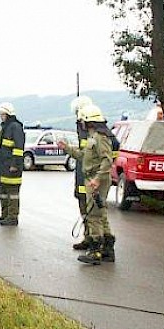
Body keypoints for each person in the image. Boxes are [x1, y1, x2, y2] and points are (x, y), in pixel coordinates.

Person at [58, 104, 115, 264]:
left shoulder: (100, 137)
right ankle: (108, 250)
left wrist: (97, 179)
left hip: (96, 180)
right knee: (100, 215)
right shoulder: (93, 137)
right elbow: (84, 156)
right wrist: (67, 149)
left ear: (88, 121)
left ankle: (95, 251)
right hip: (92, 179)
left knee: (94, 215)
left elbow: (107, 161)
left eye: (82, 120)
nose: (80, 123)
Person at [69, 95, 94, 250]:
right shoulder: (82, 126)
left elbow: (87, 153)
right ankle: (87, 237)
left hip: (88, 173)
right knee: (83, 205)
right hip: (82, 172)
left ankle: (93, 240)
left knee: (91, 209)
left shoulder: (90, 128)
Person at [0, 102, 24, 226]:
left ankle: (12, 217)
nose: (1, 116)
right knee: (2, 191)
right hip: (3, 166)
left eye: (2, 114)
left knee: (12, 193)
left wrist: (15, 164)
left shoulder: (15, 127)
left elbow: (18, 148)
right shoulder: (6, 127)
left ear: (7, 114)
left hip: (12, 167)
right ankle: (5, 214)